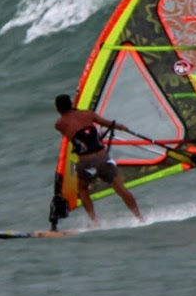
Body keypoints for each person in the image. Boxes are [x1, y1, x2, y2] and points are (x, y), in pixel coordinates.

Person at [53, 94, 144, 225]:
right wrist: (122, 127)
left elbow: (74, 132)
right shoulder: (89, 114)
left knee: (83, 190)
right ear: (71, 104)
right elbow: (110, 124)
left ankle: (95, 222)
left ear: (58, 109)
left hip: (86, 163)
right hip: (103, 158)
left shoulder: (59, 124)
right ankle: (140, 217)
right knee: (120, 188)